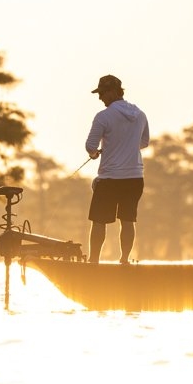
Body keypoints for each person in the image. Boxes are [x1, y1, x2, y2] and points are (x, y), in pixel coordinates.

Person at [85, 73, 149, 265]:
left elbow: (90, 146)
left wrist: (96, 153)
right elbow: (144, 142)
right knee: (128, 220)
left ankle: (93, 262)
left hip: (110, 179)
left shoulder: (103, 116)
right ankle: (124, 260)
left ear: (113, 92)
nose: (100, 97)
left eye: (102, 93)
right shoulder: (140, 114)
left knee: (99, 221)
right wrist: (126, 145)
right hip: (135, 178)